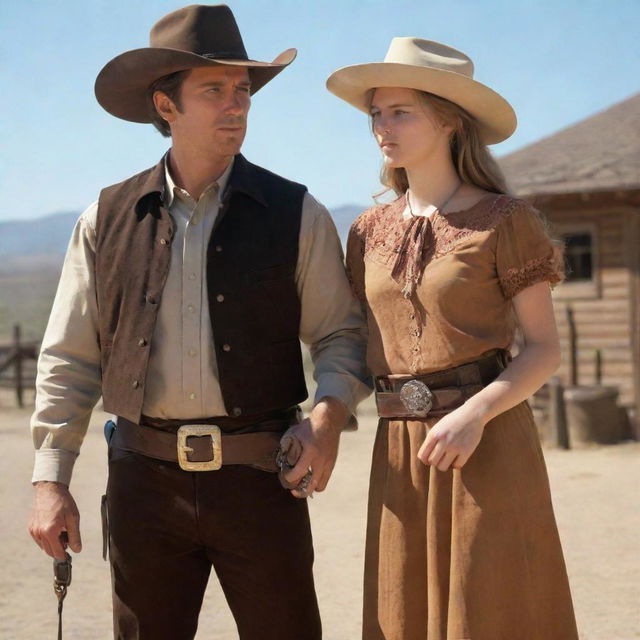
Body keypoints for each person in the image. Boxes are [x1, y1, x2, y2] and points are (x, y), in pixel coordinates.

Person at [27, 5, 370, 639]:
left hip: (263, 481)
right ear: (166, 105)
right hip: (141, 486)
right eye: (214, 90)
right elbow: (70, 359)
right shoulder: (105, 219)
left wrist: (326, 421)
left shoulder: (296, 212)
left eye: (243, 90)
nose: (236, 105)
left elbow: (341, 334)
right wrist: (52, 481)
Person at [327, 38, 579, 640]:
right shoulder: (366, 230)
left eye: (400, 111)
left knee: (490, 612)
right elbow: (357, 344)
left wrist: (474, 414)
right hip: (399, 453)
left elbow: (544, 348)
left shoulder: (506, 221)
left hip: (487, 443)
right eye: (376, 114)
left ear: (448, 120)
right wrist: (320, 421)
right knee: (403, 612)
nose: (382, 128)